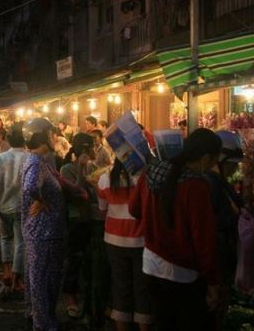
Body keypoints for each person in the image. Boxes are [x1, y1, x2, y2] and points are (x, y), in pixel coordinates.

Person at [129, 128, 221, 331]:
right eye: (215, 161)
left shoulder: (151, 173)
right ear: (205, 158)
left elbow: (134, 209)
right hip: (183, 272)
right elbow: (203, 238)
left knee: (162, 321)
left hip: (151, 263)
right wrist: (212, 281)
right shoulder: (196, 186)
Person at [21, 118, 88, 331]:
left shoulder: (42, 162)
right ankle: (44, 324)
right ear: (40, 137)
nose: (55, 138)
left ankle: (38, 317)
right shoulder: (35, 162)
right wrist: (41, 200)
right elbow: (30, 187)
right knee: (43, 282)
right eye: (51, 134)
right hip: (43, 232)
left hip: (46, 232)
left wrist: (82, 183)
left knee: (40, 280)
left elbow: (66, 184)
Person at [97, 159, 152, 331]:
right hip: (141, 241)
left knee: (120, 288)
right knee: (143, 290)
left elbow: (102, 208)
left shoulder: (105, 179)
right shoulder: (144, 178)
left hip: (114, 240)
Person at [206, 130, 245, 329]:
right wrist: (236, 217)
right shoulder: (211, 183)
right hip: (216, 256)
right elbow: (211, 221)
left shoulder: (219, 182)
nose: (234, 169)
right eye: (232, 164)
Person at [60, 133, 99, 320]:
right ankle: (69, 295)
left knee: (89, 260)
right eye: (92, 147)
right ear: (84, 149)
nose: (95, 150)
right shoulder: (67, 169)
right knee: (73, 259)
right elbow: (77, 193)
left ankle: (88, 299)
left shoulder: (95, 167)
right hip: (75, 220)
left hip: (91, 219)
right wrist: (83, 170)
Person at [0, 130, 27, 291]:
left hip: (4, 205)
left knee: (5, 239)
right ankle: (17, 279)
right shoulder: (29, 157)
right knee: (20, 242)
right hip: (22, 206)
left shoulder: (1, 157)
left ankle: (6, 272)